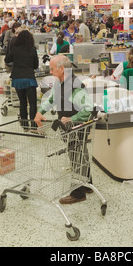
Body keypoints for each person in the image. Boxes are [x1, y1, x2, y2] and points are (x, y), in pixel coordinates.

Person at [34, 55, 94, 204]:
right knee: (81, 153)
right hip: (66, 127)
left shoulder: (75, 86)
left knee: (76, 157)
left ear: (62, 69)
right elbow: (53, 98)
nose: (51, 72)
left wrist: (72, 119)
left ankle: (78, 193)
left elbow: (89, 109)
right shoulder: (59, 83)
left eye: (52, 69)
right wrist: (40, 111)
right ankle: (88, 184)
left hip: (77, 127)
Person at [5, 30, 39, 128]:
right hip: (29, 78)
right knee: (32, 103)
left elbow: (7, 60)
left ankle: (24, 125)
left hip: (17, 78)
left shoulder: (15, 49)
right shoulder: (32, 49)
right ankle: (33, 125)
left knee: (22, 102)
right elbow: (36, 65)